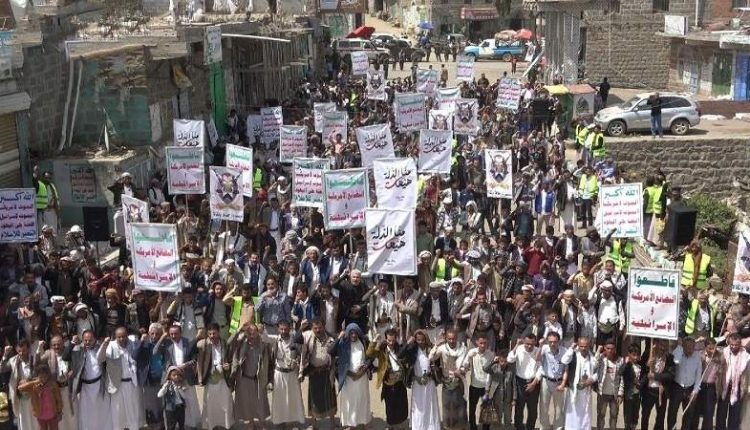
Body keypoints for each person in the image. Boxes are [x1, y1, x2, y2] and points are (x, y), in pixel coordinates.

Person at [228, 322, 272, 428]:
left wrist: (263, 332)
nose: (252, 335)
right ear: (247, 333)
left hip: (258, 378)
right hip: (244, 377)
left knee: (260, 401)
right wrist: (239, 330)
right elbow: (229, 342)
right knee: (246, 402)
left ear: (257, 333)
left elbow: (270, 343)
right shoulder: (241, 342)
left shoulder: (262, 343)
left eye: (254, 333)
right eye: (250, 333)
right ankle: (251, 422)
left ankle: (262, 422)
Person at [103, 327, 145, 430]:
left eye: (123, 336)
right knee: (118, 411)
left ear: (127, 336)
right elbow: (101, 359)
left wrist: (142, 339)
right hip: (117, 384)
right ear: (115, 337)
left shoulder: (133, 344)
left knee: (133, 409)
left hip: (132, 383)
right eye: (119, 337)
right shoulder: (111, 346)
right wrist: (104, 344)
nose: (121, 339)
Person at [366, 329, 409, 429]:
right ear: (386, 339)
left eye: (393, 340)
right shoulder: (382, 350)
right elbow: (369, 353)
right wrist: (374, 340)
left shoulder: (399, 348)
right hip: (388, 382)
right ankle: (391, 425)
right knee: (390, 405)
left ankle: (401, 425)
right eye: (389, 340)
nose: (391, 343)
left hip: (400, 381)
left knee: (401, 404)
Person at [299, 319, 337, 428]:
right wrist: (301, 328)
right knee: (313, 400)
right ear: (312, 328)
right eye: (315, 328)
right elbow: (297, 339)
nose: (318, 330)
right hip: (314, 372)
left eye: (319, 327)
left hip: (327, 373)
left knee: (330, 399)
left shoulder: (330, 339)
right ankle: (314, 425)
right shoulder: (308, 337)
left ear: (323, 327)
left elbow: (334, 354)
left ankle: (333, 424)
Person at [70, 330, 111, 430]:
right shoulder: (78, 350)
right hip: (85, 388)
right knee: (86, 414)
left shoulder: (100, 348)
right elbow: (66, 356)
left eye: (90, 340)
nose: (87, 342)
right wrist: (72, 343)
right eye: (85, 340)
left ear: (95, 340)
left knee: (101, 412)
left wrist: (105, 344)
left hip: (99, 386)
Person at [195, 323, 233, 430]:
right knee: (210, 405)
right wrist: (200, 377)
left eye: (214, 333)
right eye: (210, 334)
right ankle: (212, 426)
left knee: (225, 404)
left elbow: (231, 359)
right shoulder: (205, 344)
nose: (212, 336)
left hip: (223, 378)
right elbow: (198, 358)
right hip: (210, 379)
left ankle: (225, 425)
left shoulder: (224, 343)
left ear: (218, 332)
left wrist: (228, 366)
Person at [401, 330, 440, 430]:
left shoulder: (431, 349)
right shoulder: (412, 350)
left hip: (429, 383)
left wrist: (430, 375)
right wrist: (408, 343)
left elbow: (438, 366)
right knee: (419, 409)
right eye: (418, 340)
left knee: (430, 406)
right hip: (417, 383)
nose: (421, 342)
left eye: (423, 340)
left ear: (426, 339)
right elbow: (400, 355)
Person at [430, 328, 467, 429]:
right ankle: (448, 427)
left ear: (457, 337)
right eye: (449, 339)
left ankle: (460, 427)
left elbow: (467, 365)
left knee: (460, 405)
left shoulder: (463, 348)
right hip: (446, 381)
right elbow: (431, 357)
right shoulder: (442, 348)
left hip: (459, 381)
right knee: (447, 405)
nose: (451, 341)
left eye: (453, 338)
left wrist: (461, 370)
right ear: (446, 338)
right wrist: (436, 344)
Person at [1, 339, 40, 430]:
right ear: (16, 350)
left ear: (28, 349)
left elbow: (39, 375)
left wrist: (28, 382)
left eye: (24, 350)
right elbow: (1, 369)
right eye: (19, 351)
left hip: (33, 395)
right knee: (23, 421)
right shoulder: (13, 360)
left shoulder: (34, 358)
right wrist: (5, 354)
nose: (22, 353)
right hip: (20, 397)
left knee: (35, 421)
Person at [562, 336, 598, 430]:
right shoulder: (573, 355)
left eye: (585, 346)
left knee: (585, 413)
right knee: (572, 412)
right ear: (578, 345)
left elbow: (599, 371)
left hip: (586, 390)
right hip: (574, 389)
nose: (583, 348)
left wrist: (592, 379)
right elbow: (564, 360)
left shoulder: (593, 356)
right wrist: (571, 348)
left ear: (589, 346)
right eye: (581, 346)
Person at [461, 334, 495, 430]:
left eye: (485, 343)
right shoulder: (472, 352)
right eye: (481, 343)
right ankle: (473, 426)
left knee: (486, 409)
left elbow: (492, 371)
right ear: (477, 343)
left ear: (487, 343)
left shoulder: (491, 354)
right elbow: (465, 366)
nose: (483, 345)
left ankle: (485, 428)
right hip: (474, 385)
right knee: (472, 408)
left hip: (486, 387)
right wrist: (469, 357)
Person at [507, 333, 540, 430]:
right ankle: (519, 427)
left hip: (534, 382)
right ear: (524, 342)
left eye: (532, 344)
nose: (529, 346)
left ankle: (530, 427)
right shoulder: (519, 349)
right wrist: (516, 345)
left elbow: (540, 368)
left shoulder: (538, 351)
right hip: (520, 382)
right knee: (519, 407)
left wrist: (534, 383)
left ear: (535, 342)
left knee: (532, 408)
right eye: (527, 344)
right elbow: (509, 359)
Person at [536, 332, 567, 430]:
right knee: (544, 407)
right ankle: (544, 428)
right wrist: (540, 346)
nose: (552, 344)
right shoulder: (544, 348)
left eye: (555, 342)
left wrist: (563, 384)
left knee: (559, 408)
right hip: (546, 381)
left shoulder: (564, 351)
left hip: (559, 382)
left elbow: (566, 370)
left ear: (559, 341)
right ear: (547, 342)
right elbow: (537, 359)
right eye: (550, 342)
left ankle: (558, 428)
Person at [17, 364, 62, 430]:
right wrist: (34, 382)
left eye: (45, 376)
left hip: (53, 414)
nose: (43, 378)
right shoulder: (34, 386)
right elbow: (20, 388)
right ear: (37, 376)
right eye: (41, 377)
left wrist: (59, 412)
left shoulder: (53, 385)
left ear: (48, 375)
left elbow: (59, 399)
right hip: (41, 415)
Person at [159, 366, 188, 430]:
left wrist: (179, 389)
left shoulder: (181, 384)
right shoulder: (167, 385)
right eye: (174, 375)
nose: (176, 377)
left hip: (180, 408)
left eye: (178, 375)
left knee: (181, 426)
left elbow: (184, 397)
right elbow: (159, 395)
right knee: (171, 426)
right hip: (170, 409)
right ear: (169, 376)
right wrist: (164, 387)